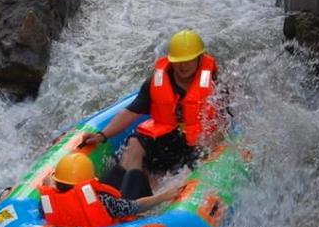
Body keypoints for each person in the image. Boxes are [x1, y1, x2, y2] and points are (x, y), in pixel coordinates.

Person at [80, 29, 223, 197]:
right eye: (178, 61)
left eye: (189, 60)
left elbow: (223, 122)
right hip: (166, 140)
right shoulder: (156, 82)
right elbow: (131, 112)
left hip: (196, 144)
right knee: (134, 143)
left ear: (199, 58)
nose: (183, 66)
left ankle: (147, 201)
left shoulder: (215, 84)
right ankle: (108, 196)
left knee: (196, 158)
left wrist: (210, 149)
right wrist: (102, 135)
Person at [39, 153, 181, 227]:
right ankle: (138, 173)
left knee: (117, 177)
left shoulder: (46, 203)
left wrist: (50, 185)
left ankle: (121, 167)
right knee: (134, 175)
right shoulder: (103, 200)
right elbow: (135, 207)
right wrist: (164, 196)